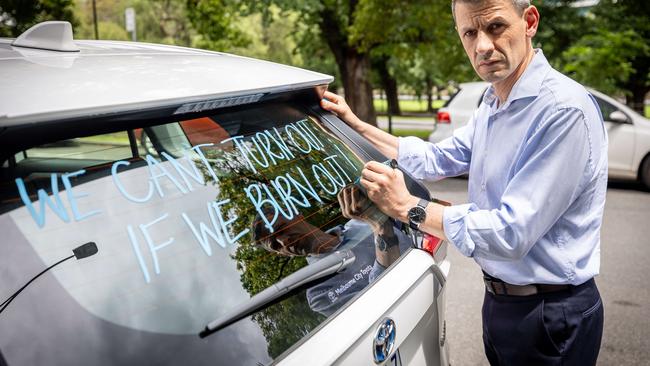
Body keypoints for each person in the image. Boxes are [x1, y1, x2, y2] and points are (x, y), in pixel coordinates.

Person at [319, 0, 607, 364]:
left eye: (496, 27)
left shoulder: (561, 110)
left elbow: (510, 232)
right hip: (503, 304)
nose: (482, 45)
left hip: (551, 313)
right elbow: (437, 158)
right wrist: (356, 125)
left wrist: (409, 207)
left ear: (529, 21)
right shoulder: (494, 102)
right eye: (470, 32)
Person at [251, 184, 411, 316]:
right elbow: (377, 307)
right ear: (280, 253)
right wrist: (380, 225)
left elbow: (411, 223)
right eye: (276, 245)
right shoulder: (318, 292)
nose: (283, 241)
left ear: (297, 215)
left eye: (281, 229)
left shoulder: (360, 222)